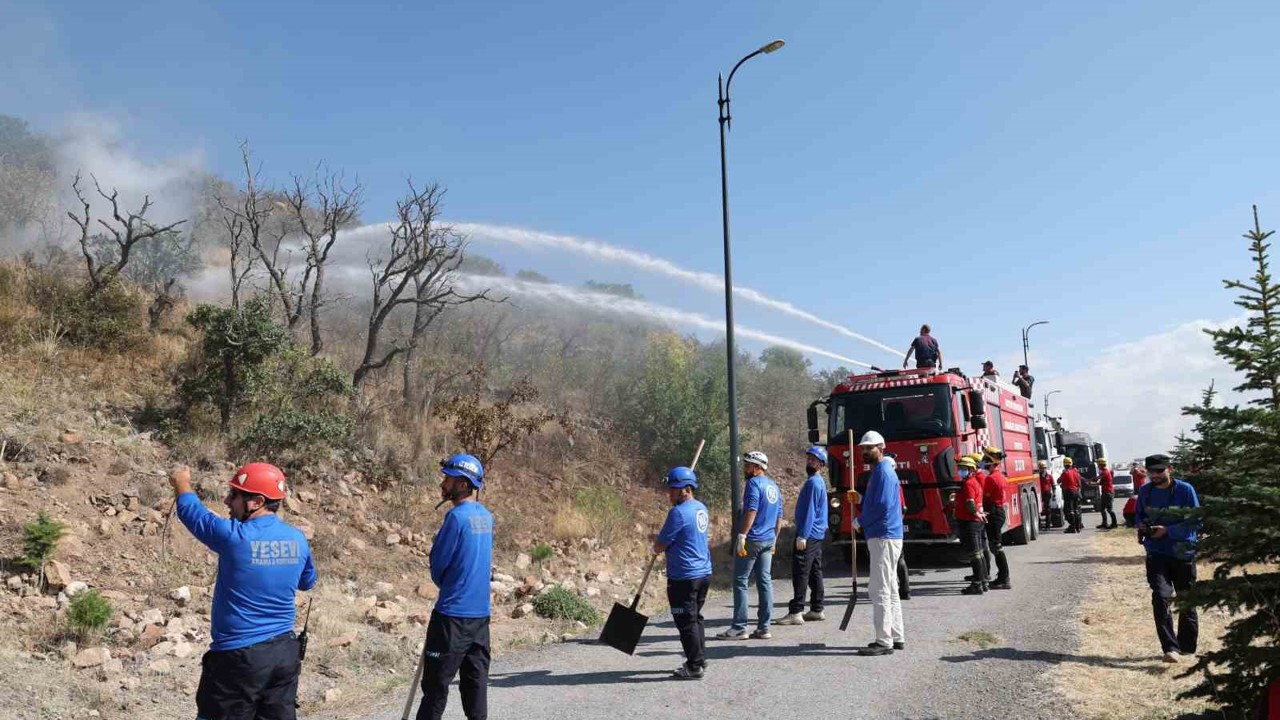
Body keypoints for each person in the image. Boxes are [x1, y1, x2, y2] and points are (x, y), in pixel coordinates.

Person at [167, 463, 317, 720]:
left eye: (234, 495)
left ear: (256, 501)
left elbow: (193, 513)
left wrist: (181, 482)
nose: (227, 500)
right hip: (283, 656)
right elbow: (307, 582)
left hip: (238, 660)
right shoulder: (298, 539)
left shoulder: (234, 537)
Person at [418, 453, 494, 720]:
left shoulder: (456, 518)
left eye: (448, 478)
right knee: (475, 686)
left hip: (451, 618)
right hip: (480, 618)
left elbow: (439, 565)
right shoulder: (486, 517)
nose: (444, 483)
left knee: (436, 687)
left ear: (463, 484)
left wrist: (446, 584)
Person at [1134, 454, 1200, 663]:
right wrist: (1143, 526)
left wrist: (1168, 531)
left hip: (1183, 553)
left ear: (1170, 469)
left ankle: (1187, 648)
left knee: (1186, 601)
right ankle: (1170, 648)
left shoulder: (1185, 490)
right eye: (1151, 472)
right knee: (1161, 597)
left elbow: (1195, 521)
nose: (1154, 475)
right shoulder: (1145, 491)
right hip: (1157, 554)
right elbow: (1139, 515)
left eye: (1159, 471)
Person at [653, 466, 712, 680]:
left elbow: (660, 544)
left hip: (684, 577)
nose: (669, 493)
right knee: (695, 618)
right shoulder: (701, 508)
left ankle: (694, 666)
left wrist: (656, 547)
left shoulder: (678, 512)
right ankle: (700, 658)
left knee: (685, 621)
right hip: (703, 574)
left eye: (673, 489)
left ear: (686, 490)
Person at [717, 450, 782, 641]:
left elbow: (751, 511)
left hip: (753, 539)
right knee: (765, 582)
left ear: (756, 468)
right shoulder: (774, 486)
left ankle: (739, 627)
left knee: (740, 581)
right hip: (768, 539)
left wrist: (742, 535)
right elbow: (779, 517)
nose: (745, 469)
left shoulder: (753, 484)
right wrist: (775, 540)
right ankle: (764, 627)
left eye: (747, 465)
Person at [854, 431, 905, 656]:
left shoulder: (883, 471)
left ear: (881, 447)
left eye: (869, 448)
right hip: (886, 535)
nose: (865, 452)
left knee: (879, 589)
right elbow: (877, 502)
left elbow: (882, 506)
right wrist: (861, 501)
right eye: (863, 448)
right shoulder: (880, 472)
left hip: (883, 536)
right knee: (891, 587)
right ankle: (896, 635)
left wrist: (860, 520)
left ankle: (884, 641)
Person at [776, 447, 829, 626]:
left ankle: (796, 611)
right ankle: (816, 608)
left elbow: (810, 512)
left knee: (801, 572)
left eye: (814, 460)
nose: (809, 462)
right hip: (816, 534)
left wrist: (803, 535)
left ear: (821, 464)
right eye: (809, 459)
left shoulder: (814, 483)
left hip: (809, 534)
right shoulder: (817, 482)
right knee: (814, 571)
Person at [953, 455, 989, 595]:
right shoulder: (973, 482)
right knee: (978, 553)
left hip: (970, 522)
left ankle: (977, 584)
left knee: (975, 555)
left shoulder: (969, 484)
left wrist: (975, 513)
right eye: (960, 468)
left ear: (971, 470)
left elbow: (970, 504)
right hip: (975, 522)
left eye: (963, 469)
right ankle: (983, 581)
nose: (960, 471)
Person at [980, 447, 1011, 590]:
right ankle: (1002, 576)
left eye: (986, 461)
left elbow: (985, 497)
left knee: (996, 547)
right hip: (998, 511)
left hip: (993, 511)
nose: (984, 463)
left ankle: (1004, 578)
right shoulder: (1000, 476)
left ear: (992, 463)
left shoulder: (991, 478)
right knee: (996, 546)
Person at [1059, 457, 1084, 533]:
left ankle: (1072, 527)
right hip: (1076, 492)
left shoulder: (1065, 472)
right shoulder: (1076, 472)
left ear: (1064, 464)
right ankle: (1078, 526)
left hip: (1069, 492)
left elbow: (1059, 480)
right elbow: (1079, 484)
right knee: (1076, 510)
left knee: (1069, 511)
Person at [1094, 458, 1118, 530]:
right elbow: (1100, 483)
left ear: (1101, 465)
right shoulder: (1104, 472)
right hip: (1105, 492)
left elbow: (1097, 478)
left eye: (1098, 464)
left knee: (1109, 510)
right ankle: (1104, 523)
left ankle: (1114, 524)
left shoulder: (1105, 472)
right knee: (1102, 509)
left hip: (1108, 493)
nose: (1097, 466)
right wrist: (1091, 483)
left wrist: (1089, 480)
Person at [1038, 460, 1054, 529]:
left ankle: (1048, 525)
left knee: (1048, 509)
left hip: (1047, 494)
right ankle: (1039, 525)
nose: (1043, 469)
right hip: (1040, 494)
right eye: (1041, 468)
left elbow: (1053, 485)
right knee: (1039, 509)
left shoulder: (1049, 476)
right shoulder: (1038, 476)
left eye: (1044, 468)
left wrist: (1054, 494)